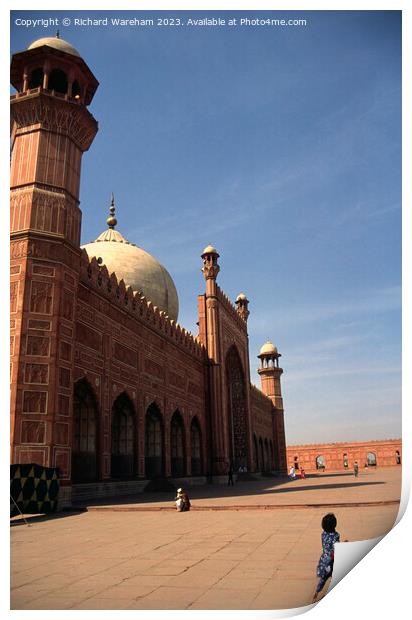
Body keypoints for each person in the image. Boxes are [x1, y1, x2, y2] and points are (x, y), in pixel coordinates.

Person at [313, 513, 340, 602]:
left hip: (324, 559)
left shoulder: (323, 534)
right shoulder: (336, 535)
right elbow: (336, 547)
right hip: (332, 560)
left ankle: (316, 592)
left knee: (323, 578)